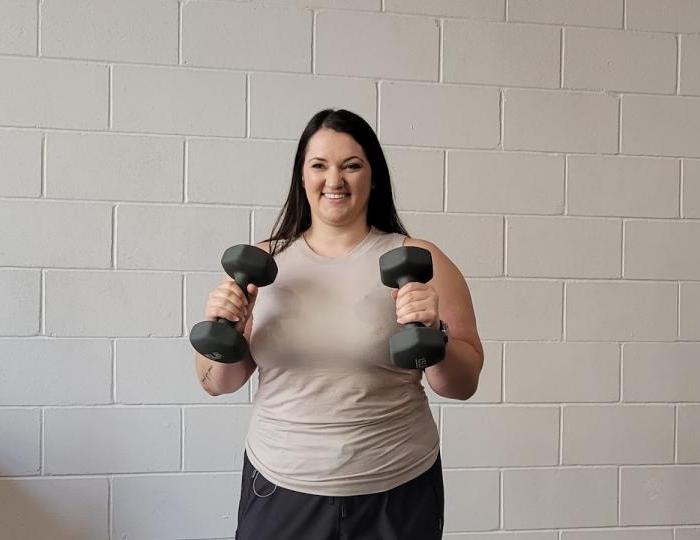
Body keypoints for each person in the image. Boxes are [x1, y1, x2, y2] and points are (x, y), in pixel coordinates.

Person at [193, 109, 484, 540]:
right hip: (280, 489)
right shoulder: (263, 263)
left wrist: (435, 334)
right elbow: (217, 382)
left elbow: (463, 384)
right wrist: (231, 328)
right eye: (319, 165)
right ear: (301, 176)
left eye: (352, 165)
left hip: (396, 489)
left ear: (373, 177)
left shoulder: (422, 260)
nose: (335, 180)